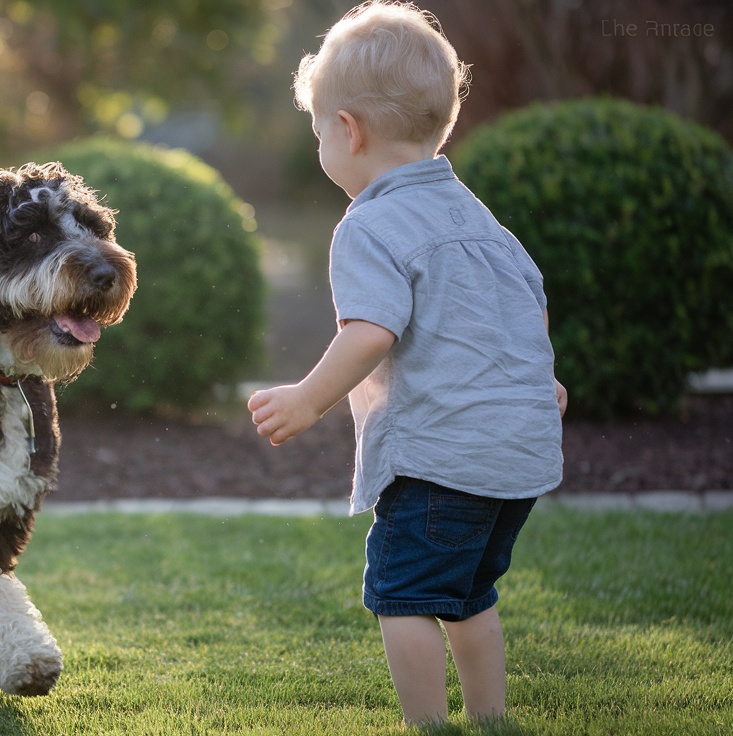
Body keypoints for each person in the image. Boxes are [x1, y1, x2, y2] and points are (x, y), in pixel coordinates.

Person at [247, 1, 568, 726]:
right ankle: (490, 717)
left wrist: (307, 398)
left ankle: (427, 724)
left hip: (440, 458)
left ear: (347, 131)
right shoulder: (476, 216)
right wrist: (535, 379)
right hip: (514, 459)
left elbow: (370, 331)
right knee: (469, 596)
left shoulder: (371, 223)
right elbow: (528, 300)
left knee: (404, 596)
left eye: (317, 129)